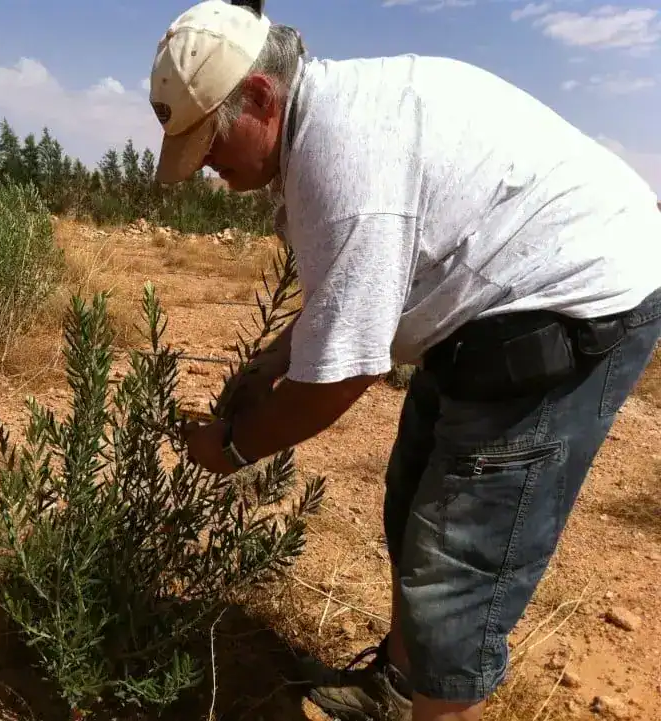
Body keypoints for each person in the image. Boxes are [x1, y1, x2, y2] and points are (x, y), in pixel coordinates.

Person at [146, 2, 661, 721]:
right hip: (489, 301)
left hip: (572, 299)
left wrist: (232, 446)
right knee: (413, 490)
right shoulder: (321, 130)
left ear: (261, 96)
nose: (203, 164)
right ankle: (396, 685)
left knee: (457, 563)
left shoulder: (343, 164)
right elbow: (347, 296)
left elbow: (344, 375)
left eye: (207, 141)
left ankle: (433, 689)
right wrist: (270, 362)